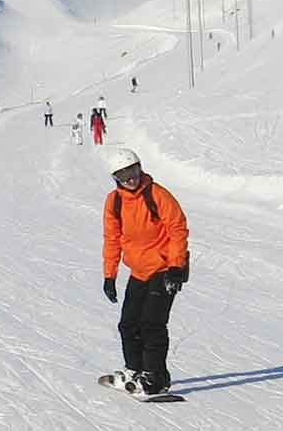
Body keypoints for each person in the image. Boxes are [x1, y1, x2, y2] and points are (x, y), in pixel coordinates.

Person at [99, 147, 191, 396]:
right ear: (115, 178)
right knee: (128, 324)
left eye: (133, 170)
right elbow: (112, 238)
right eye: (123, 174)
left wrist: (175, 266)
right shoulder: (115, 201)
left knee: (152, 324)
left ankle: (155, 378)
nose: (130, 178)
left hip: (164, 269)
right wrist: (110, 275)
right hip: (139, 270)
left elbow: (178, 229)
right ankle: (134, 370)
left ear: (140, 167)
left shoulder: (157, 195)